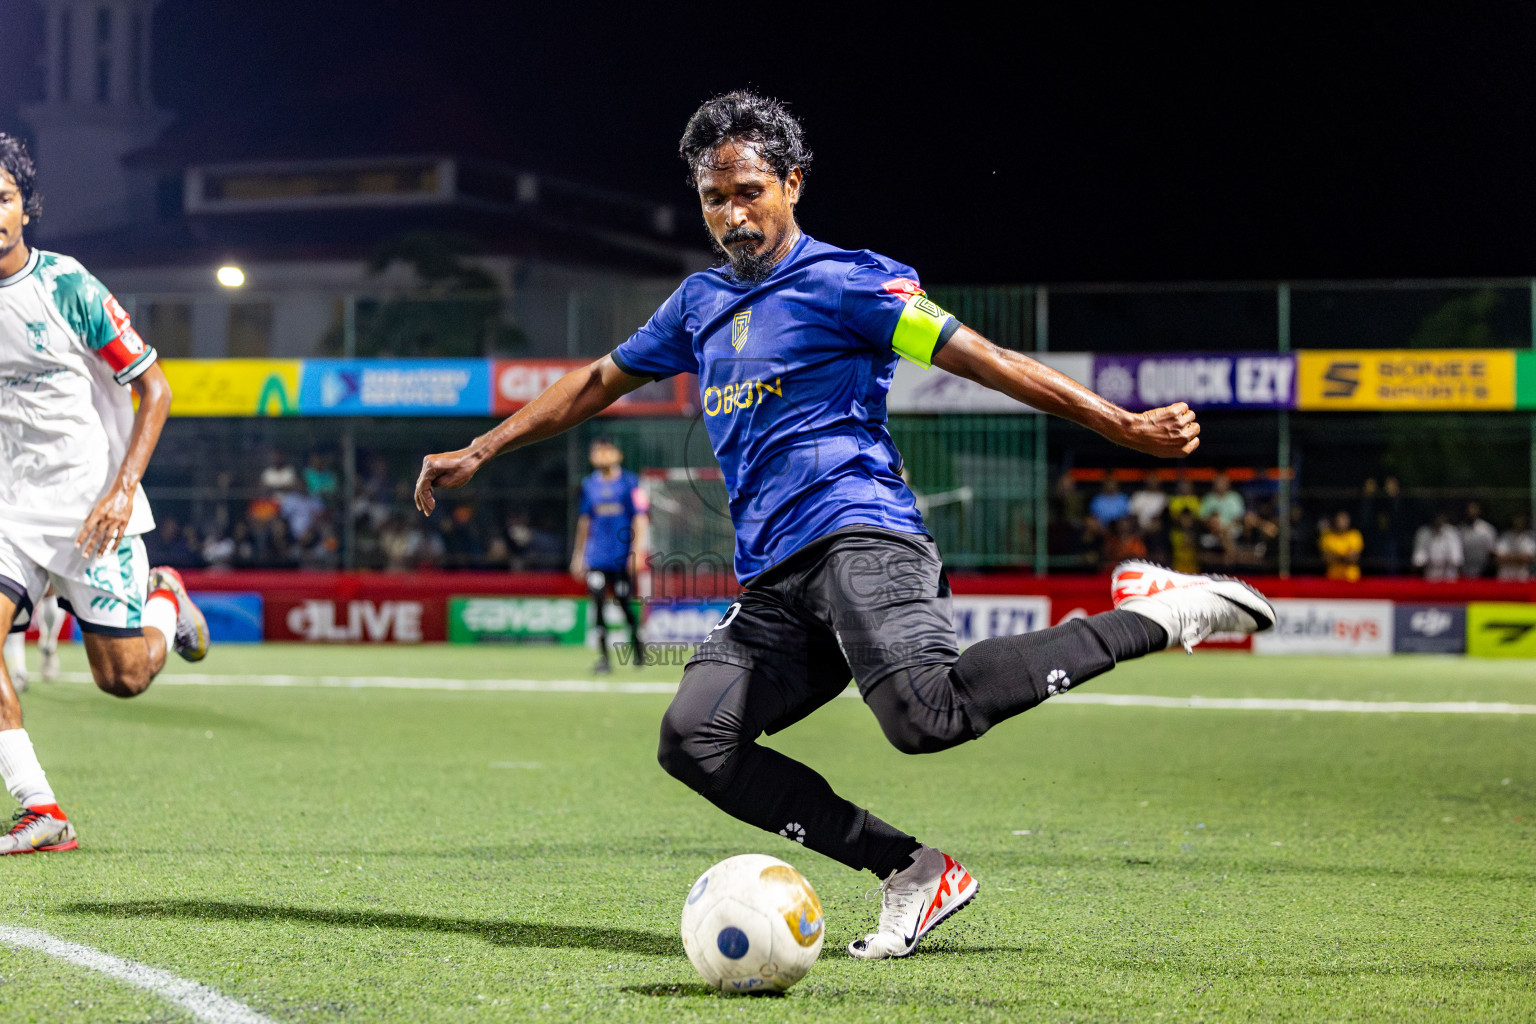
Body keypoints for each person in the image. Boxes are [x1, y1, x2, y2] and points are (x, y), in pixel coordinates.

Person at [413, 92, 1274, 960]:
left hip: (862, 534)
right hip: (776, 580)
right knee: (694, 739)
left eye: (750, 191)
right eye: (716, 199)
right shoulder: (698, 301)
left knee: (924, 717)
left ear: (792, 182)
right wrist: (483, 449)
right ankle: (909, 869)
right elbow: (598, 381)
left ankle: (1161, 612)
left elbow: (985, 359)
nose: (733, 214)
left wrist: (1120, 426)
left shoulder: (852, 281)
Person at [0, 136, 210, 855]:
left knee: (123, 681)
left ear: (26, 207)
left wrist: (123, 492)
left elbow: (156, 388)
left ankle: (166, 599)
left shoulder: (67, 286)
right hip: (8, 509)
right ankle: (41, 810)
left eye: (3, 197)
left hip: (91, 504)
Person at [570, 438, 647, 673]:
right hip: (596, 558)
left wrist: (637, 550)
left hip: (621, 557)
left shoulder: (630, 482)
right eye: (597, 451)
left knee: (624, 604)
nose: (601, 456)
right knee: (598, 604)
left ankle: (637, 644)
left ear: (617, 454)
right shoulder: (589, 485)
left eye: (606, 450)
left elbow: (640, 518)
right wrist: (578, 555)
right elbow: (584, 521)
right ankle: (604, 659)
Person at [1413, 513, 1463, 581]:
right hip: (1430, 577)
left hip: (1448, 578)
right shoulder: (1424, 533)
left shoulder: (1452, 533)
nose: (1438, 520)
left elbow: (1456, 560)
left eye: (1440, 517)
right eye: (1435, 518)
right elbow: (1418, 560)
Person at [1318, 511, 1364, 582]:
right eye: (1339, 519)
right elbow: (1326, 558)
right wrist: (1345, 557)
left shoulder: (1354, 535)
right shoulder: (1327, 536)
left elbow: (1354, 558)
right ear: (1335, 520)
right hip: (1332, 579)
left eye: (1344, 520)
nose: (1341, 522)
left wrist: (1335, 557)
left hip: (1351, 579)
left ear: (1349, 521)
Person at [1460, 502, 1497, 580]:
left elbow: (1492, 552)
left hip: (1483, 571)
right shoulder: (1461, 530)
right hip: (1465, 571)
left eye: (1473, 509)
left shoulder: (1487, 529)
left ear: (1478, 511)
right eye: (1469, 510)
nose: (1471, 512)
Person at [1494, 515, 1536, 582]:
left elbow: (1528, 559)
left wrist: (1508, 557)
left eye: (1521, 521)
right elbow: (1499, 558)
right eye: (1517, 521)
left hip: (1521, 577)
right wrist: (1519, 558)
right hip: (1505, 576)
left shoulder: (1528, 538)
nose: (1519, 523)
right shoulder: (1505, 536)